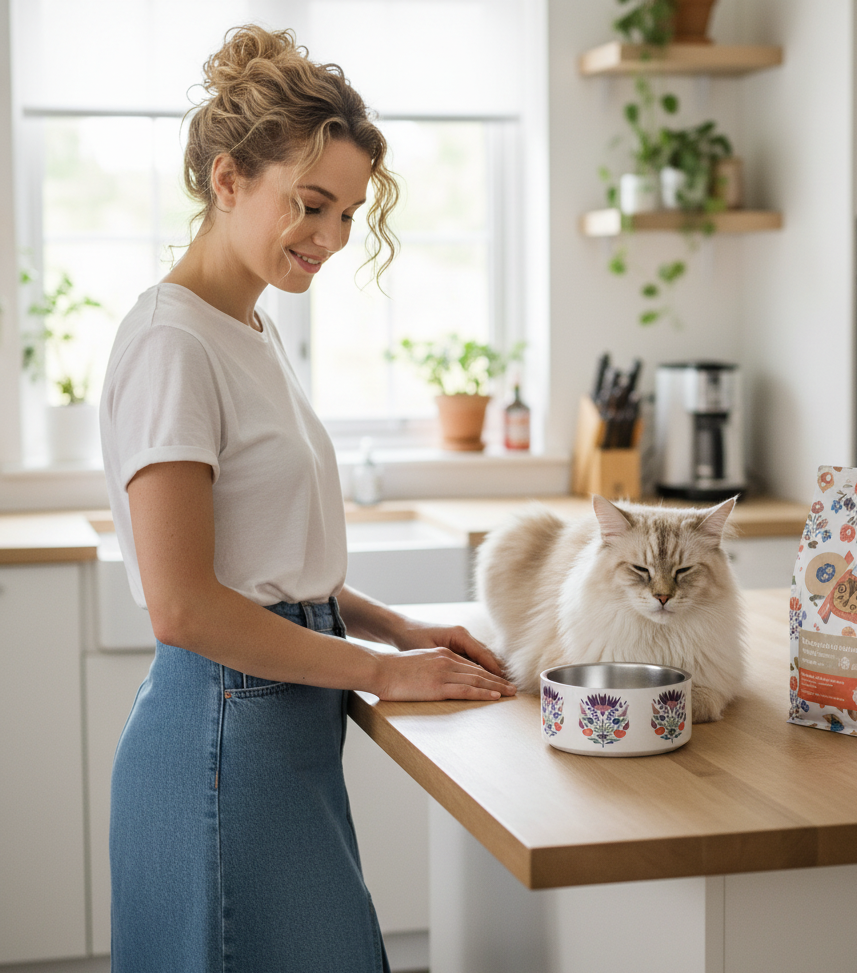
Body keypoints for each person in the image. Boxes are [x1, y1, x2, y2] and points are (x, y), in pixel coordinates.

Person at [99, 24, 516, 973]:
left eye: (348, 215)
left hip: (267, 726)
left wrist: (399, 629)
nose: (329, 239)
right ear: (229, 176)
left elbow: (266, 566)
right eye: (311, 204)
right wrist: (381, 670)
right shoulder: (174, 343)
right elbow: (186, 604)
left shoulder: (243, 327)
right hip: (222, 737)